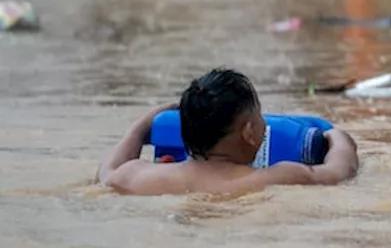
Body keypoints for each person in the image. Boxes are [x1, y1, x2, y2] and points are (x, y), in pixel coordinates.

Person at [97, 69, 360, 196]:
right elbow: (339, 172)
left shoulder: (139, 176)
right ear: (249, 132)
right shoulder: (275, 177)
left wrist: (143, 125)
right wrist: (338, 137)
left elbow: (106, 173)